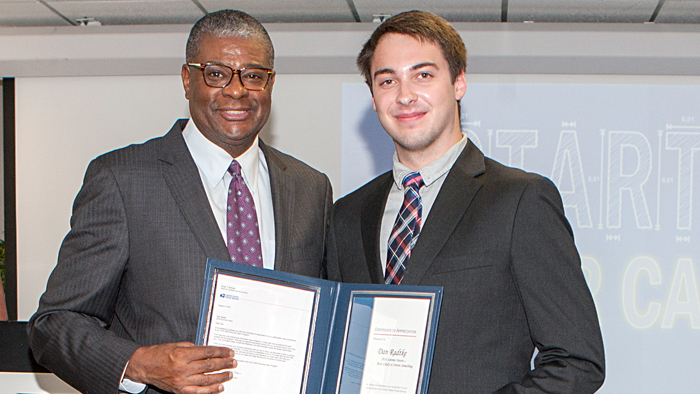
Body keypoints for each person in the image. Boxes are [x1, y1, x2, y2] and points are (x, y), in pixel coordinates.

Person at [28, 9, 332, 394]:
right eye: (216, 73)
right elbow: (54, 325)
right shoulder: (123, 179)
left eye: (253, 75)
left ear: (271, 84)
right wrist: (140, 364)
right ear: (187, 80)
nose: (237, 90)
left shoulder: (310, 188)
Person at [325, 10, 605, 393]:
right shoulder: (347, 214)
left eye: (423, 75)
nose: (405, 95)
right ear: (373, 98)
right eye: (387, 80)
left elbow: (577, 361)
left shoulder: (519, 200)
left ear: (458, 83)